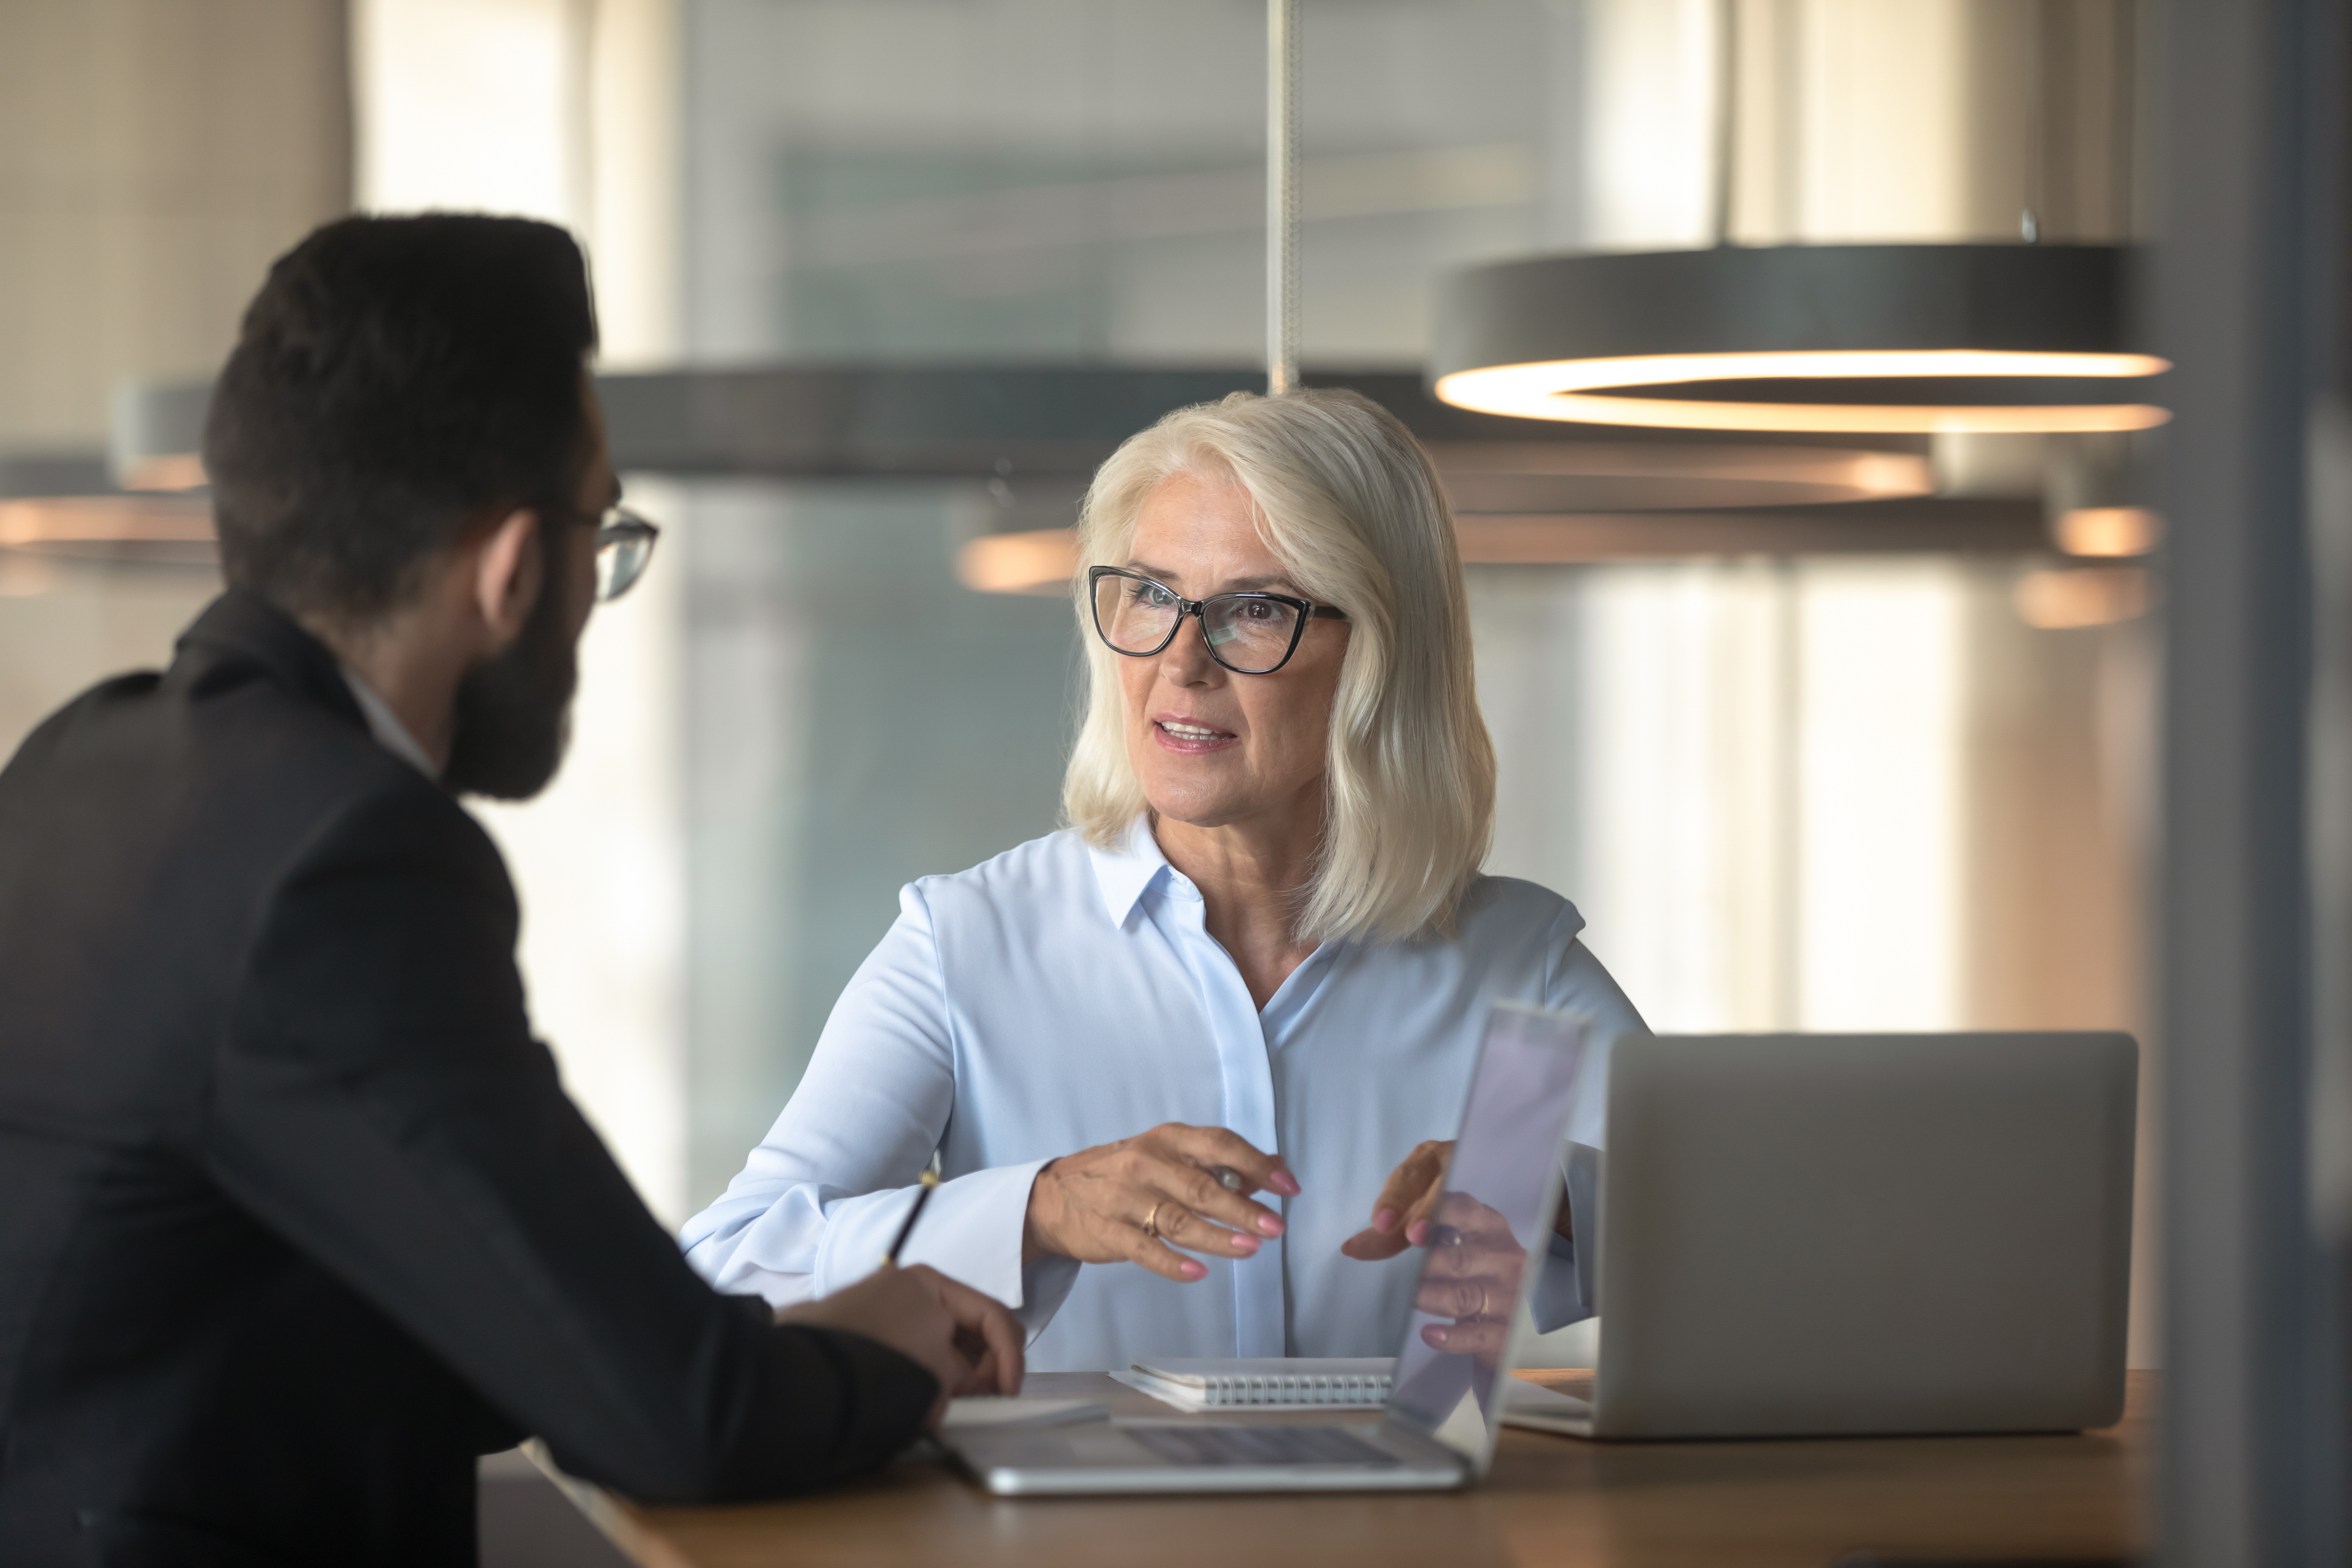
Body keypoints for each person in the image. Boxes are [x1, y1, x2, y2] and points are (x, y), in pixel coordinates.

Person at [0, 215, 1021, 1567]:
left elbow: (409, 1295)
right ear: (514, 566)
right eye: (604, 536)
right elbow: (677, 1427)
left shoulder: (81, 758)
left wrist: (764, 1336)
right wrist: (891, 1359)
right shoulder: (341, 855)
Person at [681, 388, 1646, 1373]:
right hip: (1061, 1531)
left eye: (1256, 609)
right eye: (1150, 594)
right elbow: (725, 1272)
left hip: (1408, 1528)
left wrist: (1561, 1196)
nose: (1182, 662)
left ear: (1382, 658)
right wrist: (1037, 1210)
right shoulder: (964, 945)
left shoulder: (1515, 967)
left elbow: (1771, 1260)